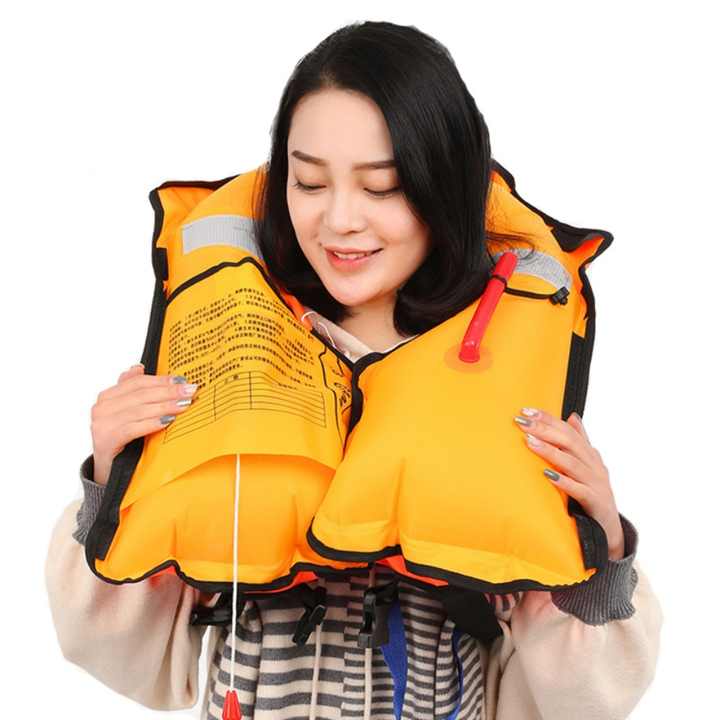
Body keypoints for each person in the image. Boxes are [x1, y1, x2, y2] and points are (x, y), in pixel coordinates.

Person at [45, 19, 663, 720]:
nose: (340, 219)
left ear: (444, 184)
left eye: (383, 187)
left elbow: (579, 705)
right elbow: (122, 656)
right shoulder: (229, 357)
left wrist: (601, 546)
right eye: (309, 182)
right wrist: (111, 479)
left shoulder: (510, 390)